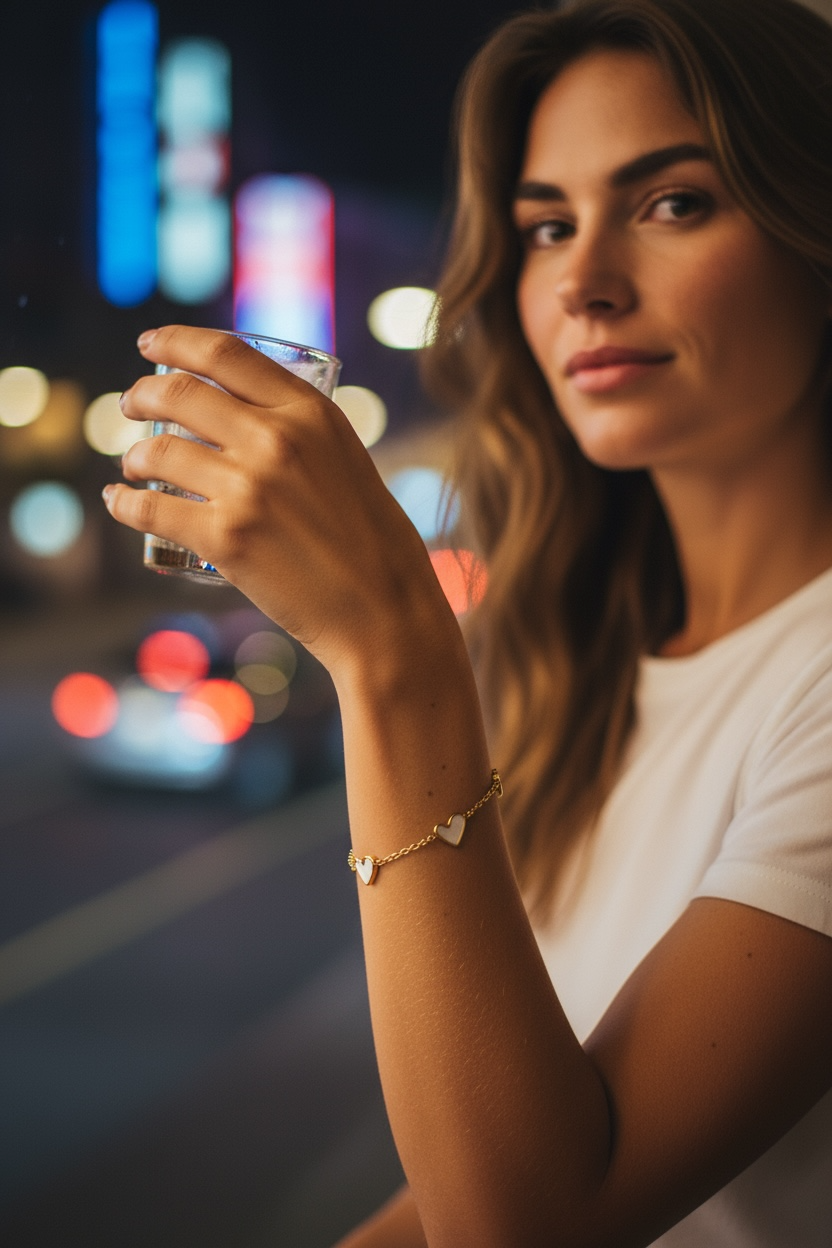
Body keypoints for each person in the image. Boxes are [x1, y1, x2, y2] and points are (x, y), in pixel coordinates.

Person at [103, 0, 832, 1241]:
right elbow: (467, 1165)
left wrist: (390, 646)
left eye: (673, 203)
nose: (584, 282)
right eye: (546, 225)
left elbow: (531, 1221)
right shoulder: (575, 651)